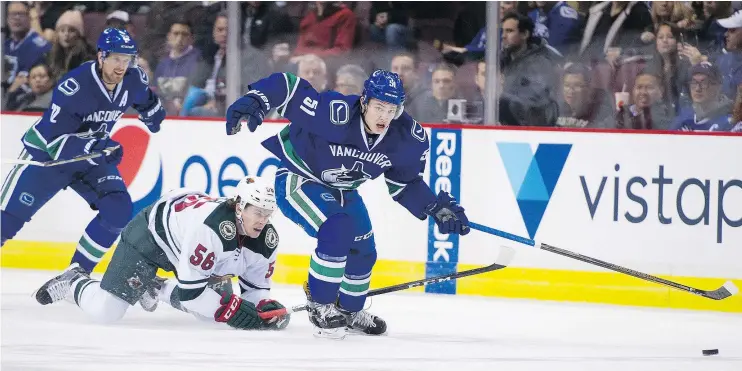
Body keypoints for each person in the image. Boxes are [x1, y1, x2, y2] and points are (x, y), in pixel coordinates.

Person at [224, 70, 471, 338]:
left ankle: (349, 310)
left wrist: (434, 207)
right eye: (378, 108)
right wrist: (258, 98)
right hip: (300, 178)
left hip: (343, 190)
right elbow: (290, 88)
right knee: (338, 229)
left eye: (391, 110)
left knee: (364, 250)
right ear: (364, 102)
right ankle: (319, 305)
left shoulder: (405, 137)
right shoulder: (335, 112)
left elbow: (405, 183)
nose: (384, 117)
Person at [0, 28, 166, 274]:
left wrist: (153, 113)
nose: (122, 66)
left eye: (127, 59)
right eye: (116, 58)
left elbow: (144, 98)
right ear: (101, 56)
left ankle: (75, 275)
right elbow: (55, 143)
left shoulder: (133, 78)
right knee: (5, 222)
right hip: (46, 158)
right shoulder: (74, 87)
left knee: (118, 210)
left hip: (90, 158)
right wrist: (99, 146)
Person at [33, 177, 290, 331]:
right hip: (151, 237)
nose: (263, 221)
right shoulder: (210, 229)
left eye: (268, 214)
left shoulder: (266, 239)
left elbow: (255, 288)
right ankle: (74, 279)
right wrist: (230, 310)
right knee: (106, 312)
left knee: (209, 317)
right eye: (258, 212)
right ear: (239, 208)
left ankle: (155, 288)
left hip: (186, 243)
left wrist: (263, 306)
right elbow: (191, 295)